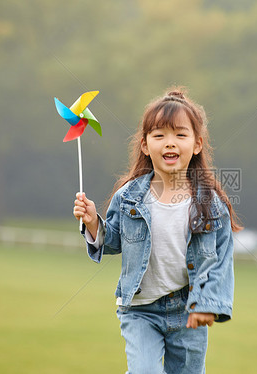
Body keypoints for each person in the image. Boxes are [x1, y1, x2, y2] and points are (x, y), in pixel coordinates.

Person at [73, 87, 242, 374]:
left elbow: (221, 259)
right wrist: (93, 223)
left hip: (189, 309)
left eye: (180, 134)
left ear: (197, 144)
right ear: (144, 144)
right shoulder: (128, 196)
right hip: (140, 309)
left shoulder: (211, 204)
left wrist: (209, 303)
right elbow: (114, 240)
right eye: (159, 135)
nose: (169, 143)